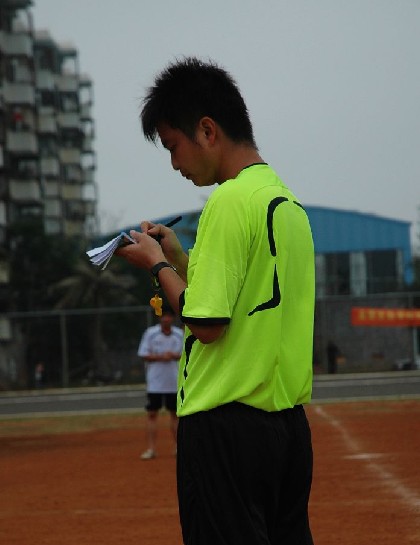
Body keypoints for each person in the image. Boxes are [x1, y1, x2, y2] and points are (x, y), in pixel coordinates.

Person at [117, 57, 315, 545]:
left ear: (207, 130)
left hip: (225, 428)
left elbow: (206, 324)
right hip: (287, 429)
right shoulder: (285, 202)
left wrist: (155, 266)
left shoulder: (227, 201)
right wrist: (178, 260)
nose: (174, 164)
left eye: (173, 146)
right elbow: (243, 302)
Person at [137, 308, 183, 460]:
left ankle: (179, 447)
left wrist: (174, 356)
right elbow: (143, 354)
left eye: (168, 316)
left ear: (173, 318)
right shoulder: (150, 333)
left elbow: (186, 354)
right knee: (152, 414)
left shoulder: (179, 334)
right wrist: (161, 357)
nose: (166, 319)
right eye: (163, 316)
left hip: (174, 381)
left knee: (175, 414)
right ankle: (151, 449)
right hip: (155, 382)